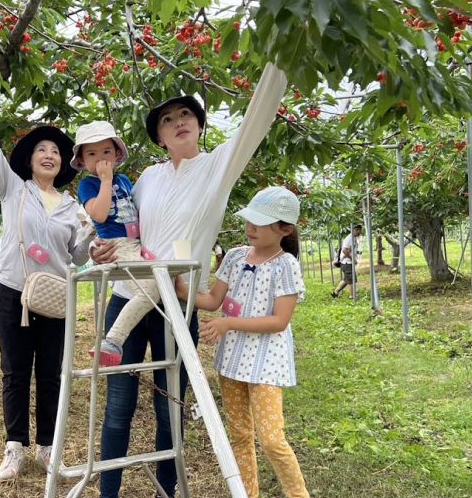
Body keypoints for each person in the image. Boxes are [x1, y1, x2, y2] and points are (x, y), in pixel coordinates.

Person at [91, 63, 287, 497]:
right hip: (128, 295)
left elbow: (257, 118)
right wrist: (98, 248)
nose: (178, 122)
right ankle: (108, 491)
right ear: (159, 137)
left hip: (176, 303)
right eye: (167, 119)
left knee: (169, 406)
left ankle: (168, 486)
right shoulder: (146, 179)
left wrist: (279, 59)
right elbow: (120, 231)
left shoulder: (218, 166)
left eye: (186, 116)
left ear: (199, 126)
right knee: (118, 405)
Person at [0, 86, 94, 481]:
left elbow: (76, 258)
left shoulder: (73, 206)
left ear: (63, 163)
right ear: (30, 159)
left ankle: (46, 448)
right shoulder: (13, 189)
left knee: (52, 374)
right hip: (12, 292)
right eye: (42, 149)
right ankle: (14, 447)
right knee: (15, 371)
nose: (49, 155)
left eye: (56, 151)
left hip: (56, 298)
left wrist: (89, 236)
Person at [176, 187, 309, 498]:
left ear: (285, 229)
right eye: (250, 220)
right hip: (232, 359)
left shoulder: (285, 265)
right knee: (239, 434)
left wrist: (228, 323)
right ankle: (247, 494)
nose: (251, 228)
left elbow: (279, 321)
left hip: (266, 363)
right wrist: (181, 290)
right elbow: (211, 300)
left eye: (260, 223)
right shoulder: (235, 257)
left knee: (272, 439)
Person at [71, 120, 157, 366]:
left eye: (106, 152)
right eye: (92, 154)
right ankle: (112, 340)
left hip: (135, 243)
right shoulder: (89, 184)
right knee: (150, 292)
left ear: (117, 154)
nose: (100, 159)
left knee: (155, 288)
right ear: (82, 161)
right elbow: (98, 215)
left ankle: (113, 340)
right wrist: (106, 181)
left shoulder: (125, 180)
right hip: (116, 245)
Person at [331, 224, 362, 298]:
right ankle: (352, 296)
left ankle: (335, 292)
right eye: (358, 230)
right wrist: (352, 259)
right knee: (352, 280)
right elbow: (344, 250)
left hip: (347, 262)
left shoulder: (353, 238)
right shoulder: (349, 238)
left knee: (346, 280)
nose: (359, 232)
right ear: (354, 230)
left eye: (360, 230)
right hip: (347, 262)